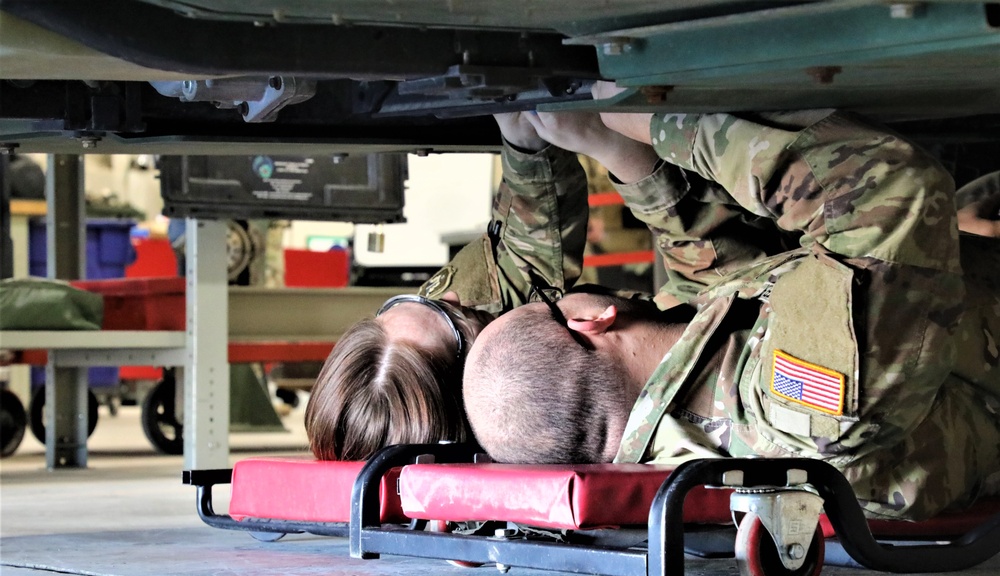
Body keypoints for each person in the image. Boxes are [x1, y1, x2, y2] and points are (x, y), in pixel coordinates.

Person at [463, 107, 1000, 521]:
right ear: (589, 321)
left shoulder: (681, 430)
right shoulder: (792, 410)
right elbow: (890, 193)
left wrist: (622, 155)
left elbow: (730, 278)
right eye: (556, 304)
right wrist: (668, 125)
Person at [304, 111, 658, 461]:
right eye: (458, 318)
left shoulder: (419, 339)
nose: (451, 296)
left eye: (428, 303)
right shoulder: (562, 412)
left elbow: (523, 264)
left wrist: (527, 148)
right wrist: (629, 162)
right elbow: (706, 289)